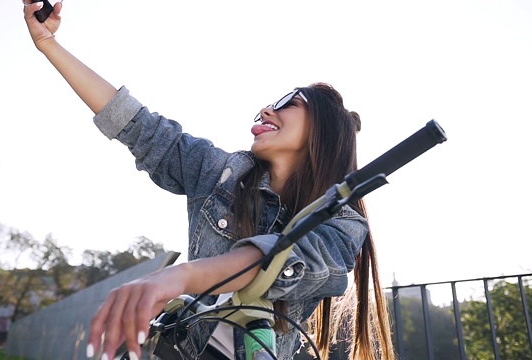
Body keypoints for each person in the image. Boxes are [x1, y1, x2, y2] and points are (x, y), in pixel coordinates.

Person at [22, 2, 395, 360]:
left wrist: (178, 277)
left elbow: (282, 256)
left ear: (323, 132)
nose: (267, 108)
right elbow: (135, 123)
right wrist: (48, 45)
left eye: (288, 102)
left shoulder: (343, 224)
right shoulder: (222, 173)